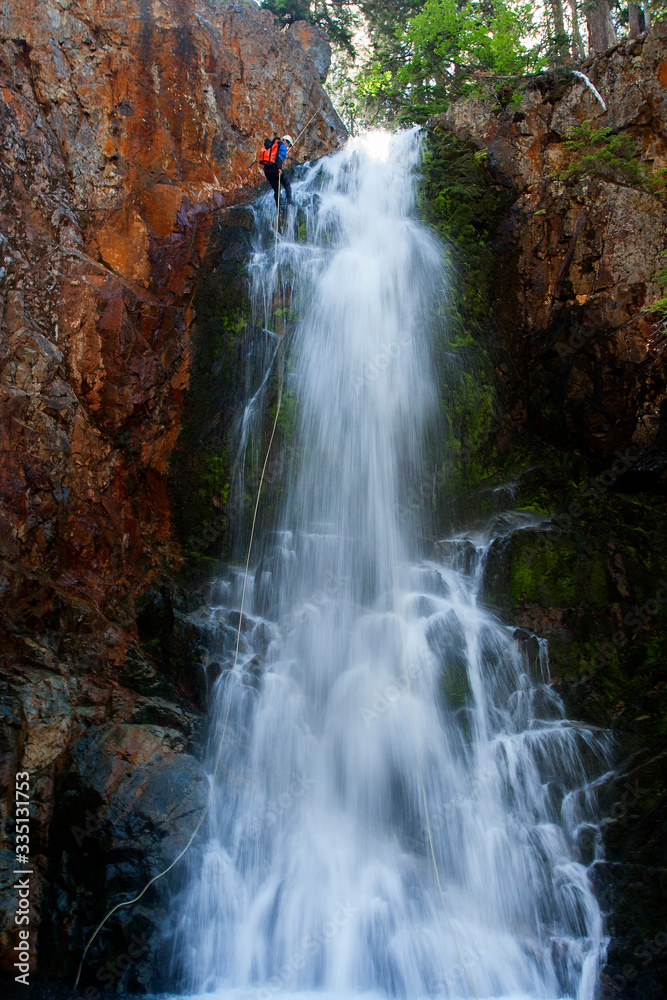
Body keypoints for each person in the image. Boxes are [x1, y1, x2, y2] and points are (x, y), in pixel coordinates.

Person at [260, 134, 293, 207]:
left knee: (277, 189)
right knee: (286, 182)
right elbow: (280, 159)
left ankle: (279, 207)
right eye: (289, 145)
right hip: (275, 168)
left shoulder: (272, 145)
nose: (288, 147)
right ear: (285, 141)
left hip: (267, 170)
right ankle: (289, 201)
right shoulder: (282, 146)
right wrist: (279, 168)